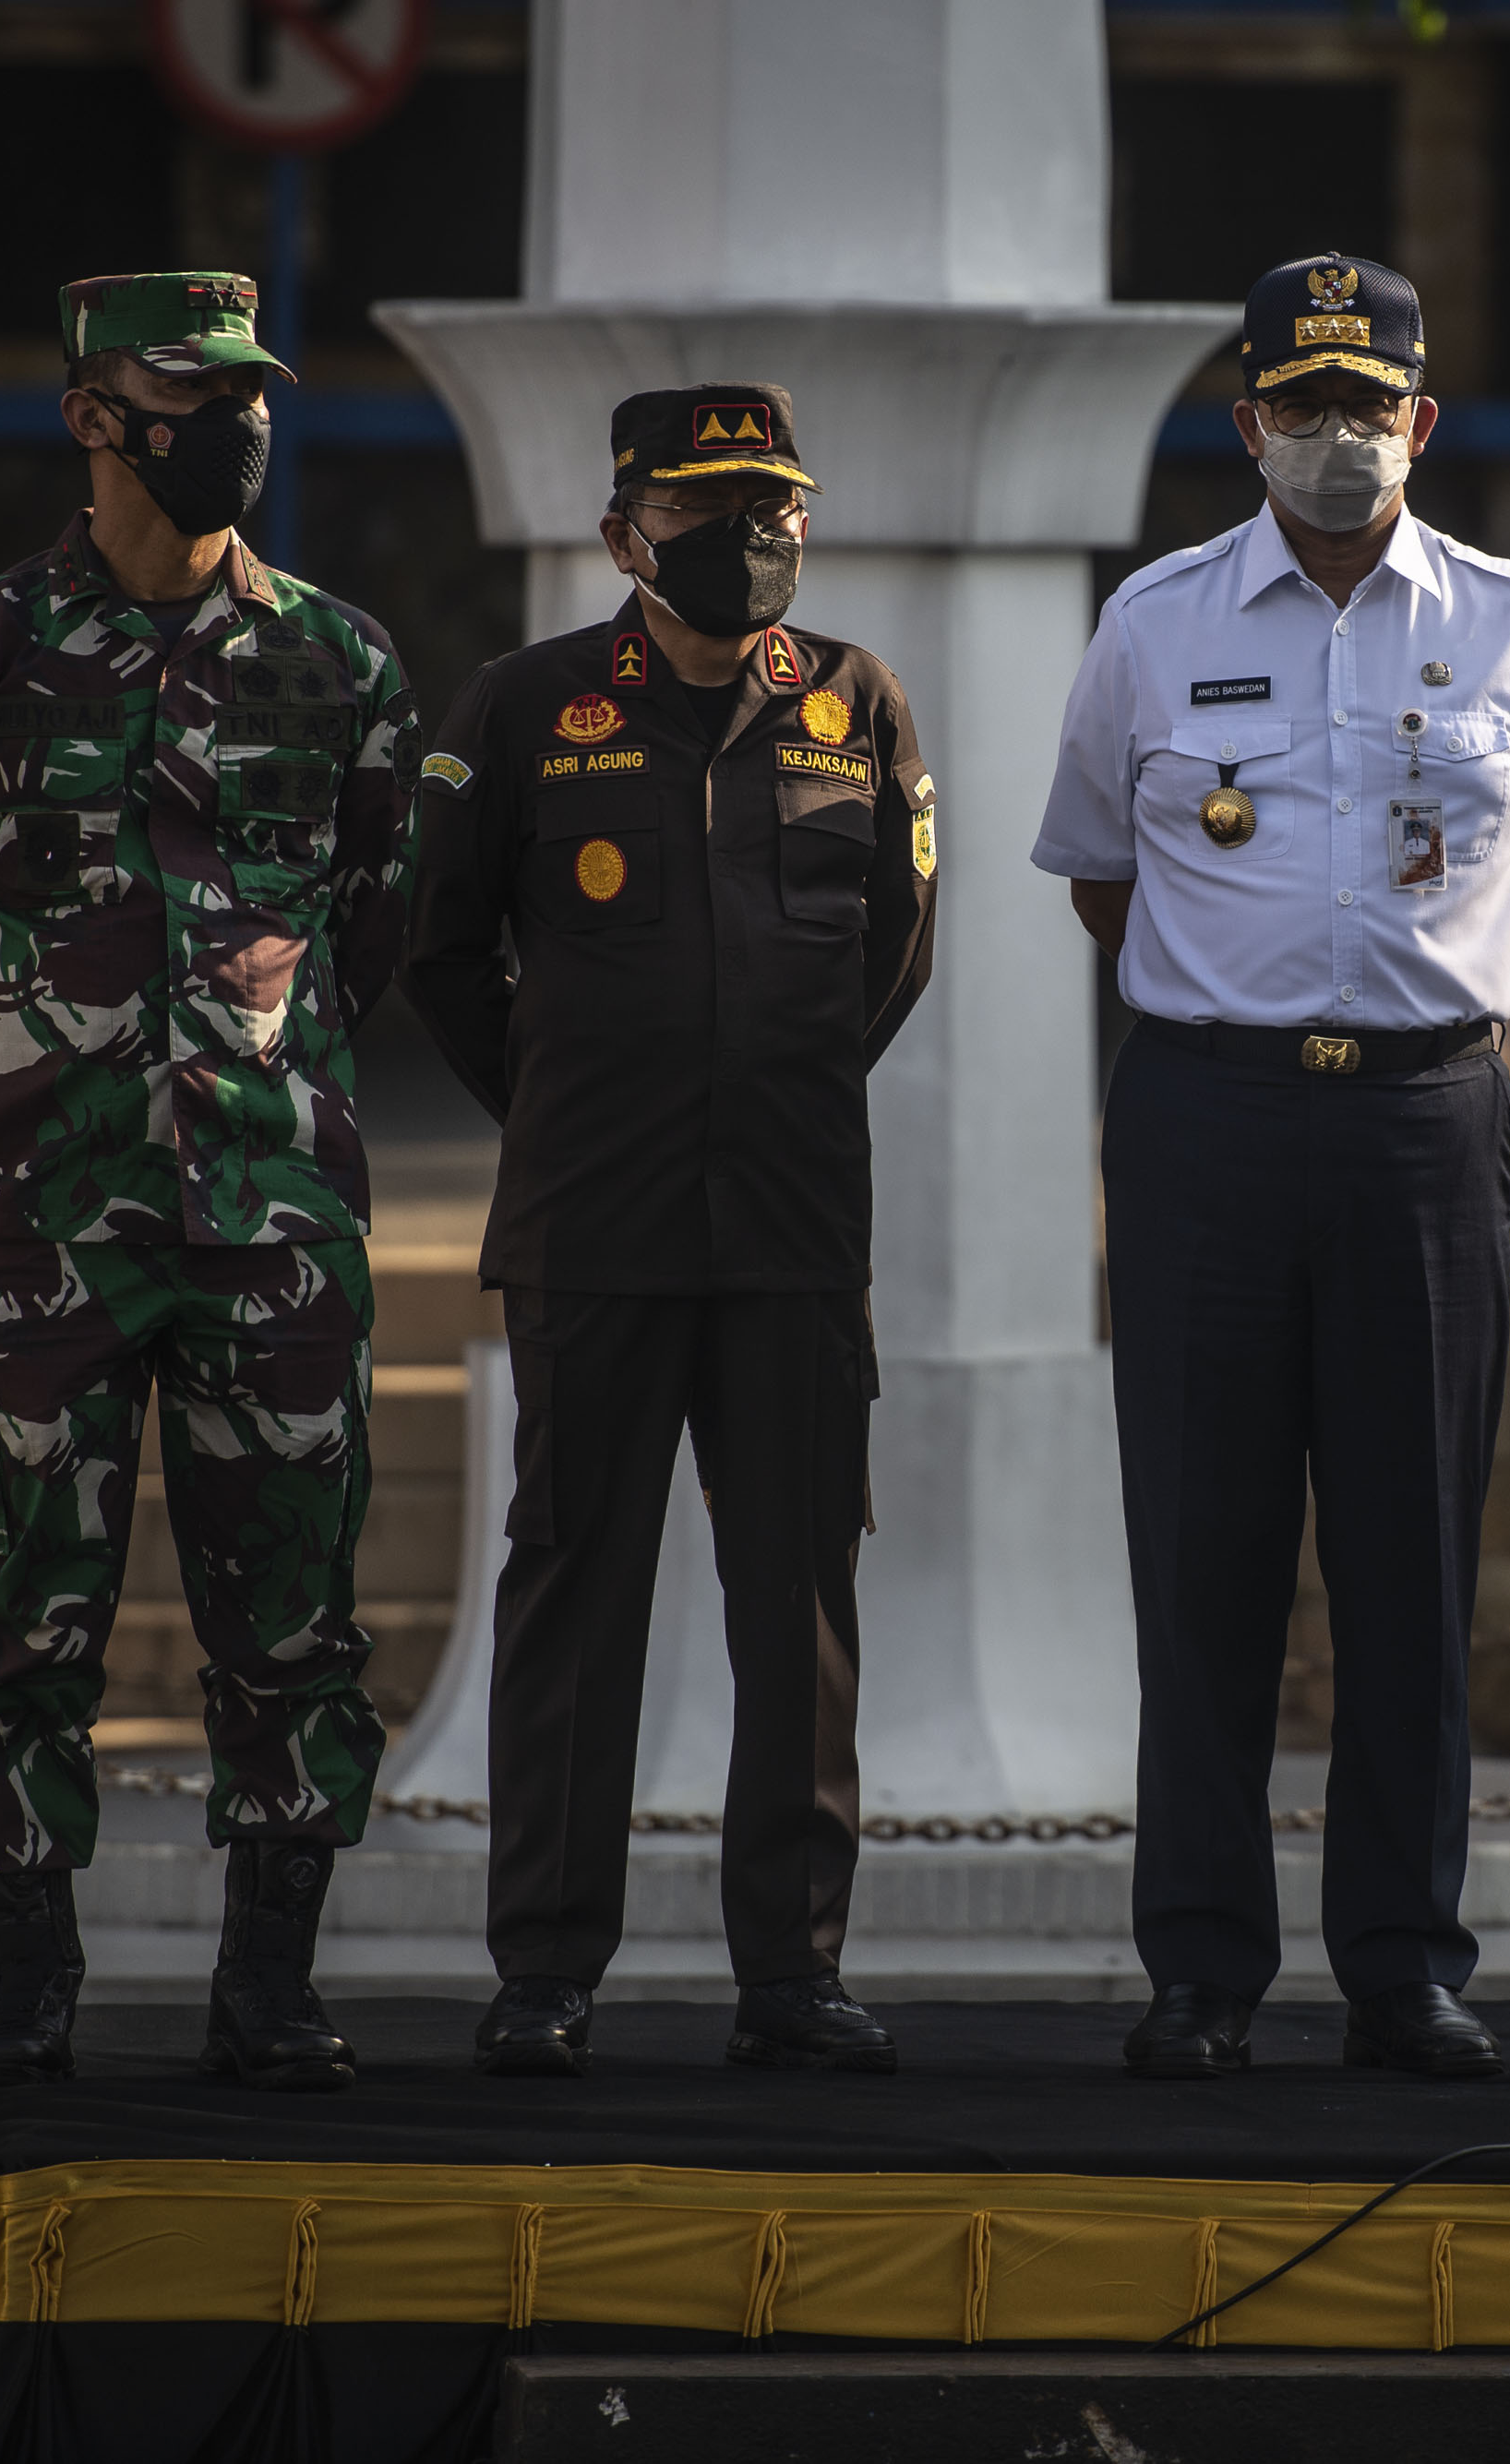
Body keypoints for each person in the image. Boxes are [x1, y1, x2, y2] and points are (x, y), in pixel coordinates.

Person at [1034, 255, 1510, 2083]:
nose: (1335, 439)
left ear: (1420, 425)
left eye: (1367, 408)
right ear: (1246, 426)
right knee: (1202, 1558)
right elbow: (1099, 879)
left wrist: (1394, 1007)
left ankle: (1400, 1963)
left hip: (1423, 1126)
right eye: (1299, 407)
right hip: (1205, 1120)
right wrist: (1245, 1001)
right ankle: (1201, 1969)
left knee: (1405, 1560)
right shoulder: (1145, 618)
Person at [0, 271, 418, 2094]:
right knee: (26, 1608)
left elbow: (373, 923)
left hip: (273, 1220)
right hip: (41, 1227)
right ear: (96, 413)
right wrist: (32, 1067)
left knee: (296, 1614)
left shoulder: (339, 659)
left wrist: (259, 1074)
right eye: (194, 390)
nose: (239, 422)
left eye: (255, 391)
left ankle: (270, 1987)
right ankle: (26, 1985)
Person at [404, 383, 937, 2081]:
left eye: (777, 503)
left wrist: (759, 1093)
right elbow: (440, 956)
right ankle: (548, 1968)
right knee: (577, 1592)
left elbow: (890, 954)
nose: (753, 537)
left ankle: (792, 1971)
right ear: (630, 533)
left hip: (789, 1228)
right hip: (596, 1226)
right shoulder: (524, 706)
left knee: (799, 1606)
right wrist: (577, 1105)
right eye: (711, 512)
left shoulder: (859, 705)